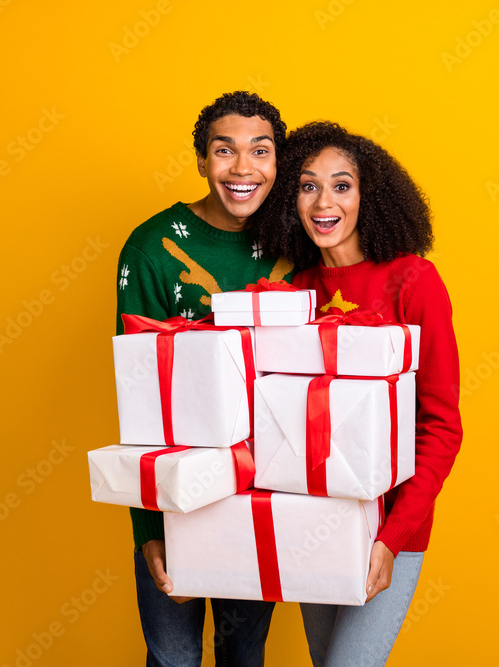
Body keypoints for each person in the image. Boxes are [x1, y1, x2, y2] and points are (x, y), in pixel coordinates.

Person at [251, 121, 463, 667]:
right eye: (307, 185)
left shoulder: (414, 281)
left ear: (370, 197)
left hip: (391, 528)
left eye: (342, 185)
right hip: (311, 521)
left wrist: (392, 539)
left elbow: (441, 426)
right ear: (289, 200)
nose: (324, 201)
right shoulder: (293, 294)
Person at [115, 91, 293, 666]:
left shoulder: (298, 242)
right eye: (225, 151)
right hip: (173, 493)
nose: (243, 168)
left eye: (259, 151)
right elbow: (138, 397)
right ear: (200, 160)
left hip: (263, 488)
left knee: (245, 652)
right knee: (171, 657)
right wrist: (149, 529)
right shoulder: (150, 248)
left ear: (278, 162)